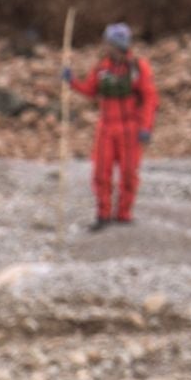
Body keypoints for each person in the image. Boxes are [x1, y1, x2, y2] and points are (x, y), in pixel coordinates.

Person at [63, 22, 158, 230]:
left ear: (119, 45)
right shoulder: (102, 68)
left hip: (130, 128)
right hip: (106, 127)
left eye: (109, 43)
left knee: (129, 173)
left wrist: (146, 127)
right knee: (101, 172)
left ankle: (124, 213)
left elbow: (150, 99)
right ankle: (103, 214)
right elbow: (90, 90)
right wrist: (72, 82)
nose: (106, 47)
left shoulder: (138, 68)